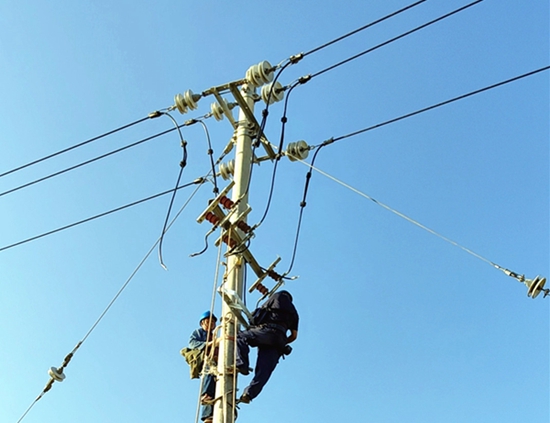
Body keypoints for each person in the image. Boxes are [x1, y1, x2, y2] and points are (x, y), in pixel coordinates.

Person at [236, 290, 299, 404]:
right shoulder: (294, 313)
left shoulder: (276, 297)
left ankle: (242, 364)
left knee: (239, 336)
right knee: (264, 370)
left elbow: (258, 315)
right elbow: (294, 336)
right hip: (279, 340)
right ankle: (249, 394)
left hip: (267, 331)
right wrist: (284, 342)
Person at [188, 311, 218, 423]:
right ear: (202, 323)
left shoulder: (215, 335)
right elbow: (192, 343)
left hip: (216, 362)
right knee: (209, 376)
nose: (210, 324)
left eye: (213, 322)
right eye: (207, 321)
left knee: (215, 387)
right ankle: (205, 395)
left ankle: (209, 416)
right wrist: (207, 344)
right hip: (205, 359)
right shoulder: (198, 332)